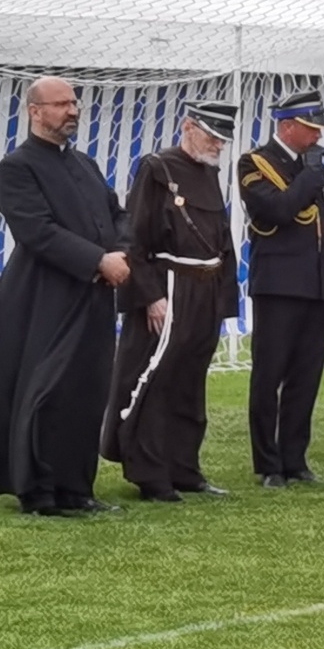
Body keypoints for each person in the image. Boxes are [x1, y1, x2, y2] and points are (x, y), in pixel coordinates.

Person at [0, 77, 131, 517]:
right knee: (44, 391)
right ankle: (38, 490)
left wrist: (122, 253)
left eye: (74, 103)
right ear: (36, 111)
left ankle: (77, 487)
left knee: (86, 389)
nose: (72, 111)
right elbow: (37, 230)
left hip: (92, 296)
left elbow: (116, 215)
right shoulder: (17, 167)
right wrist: (98, 259)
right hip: (42, 298)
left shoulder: (86, 166)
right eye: (61, 104)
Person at [102, 101, 240, 503]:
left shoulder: (209, 172)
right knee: (154, 378)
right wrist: (151, 296)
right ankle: (149, 472)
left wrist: (223, 295)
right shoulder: (157, 169)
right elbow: (138, 237)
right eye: (211, 135)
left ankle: (185, 467)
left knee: (190, 381)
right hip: (171, 287)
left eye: (221, 138)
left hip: (205, 287)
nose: (217, 144)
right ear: (187, 127)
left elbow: (219, 236)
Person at [238, 90, 324, 488]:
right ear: (287, 126)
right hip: (279, 285)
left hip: (315, 282)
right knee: (269, 375)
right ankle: (268, 463)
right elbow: (276, 211)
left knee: (306, 375)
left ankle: (295, 458)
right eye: (311, 128)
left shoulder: (311, 164)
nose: (318, 136)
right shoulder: (255, 162)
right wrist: (310, 176)